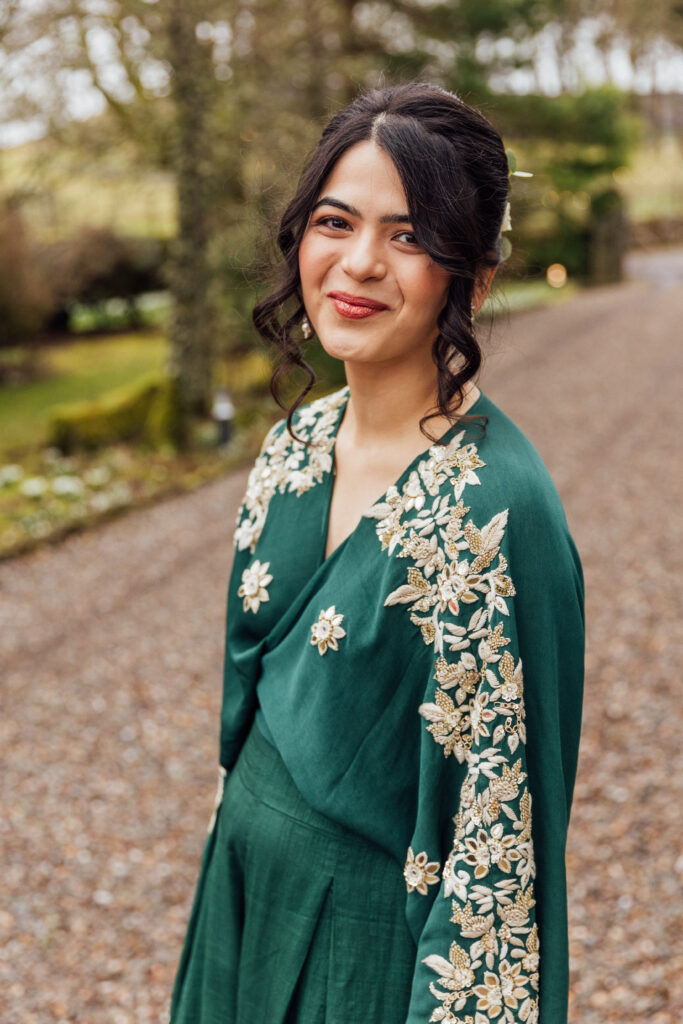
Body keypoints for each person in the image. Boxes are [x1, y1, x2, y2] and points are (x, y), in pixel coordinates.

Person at [168, 82, 585, 1024]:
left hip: (367, 959)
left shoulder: (495, 511)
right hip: (238, 903)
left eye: (406, 236)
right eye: (335, 221)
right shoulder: (294, 445)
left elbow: (496, 856)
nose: (357, 264)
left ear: (470, 276)